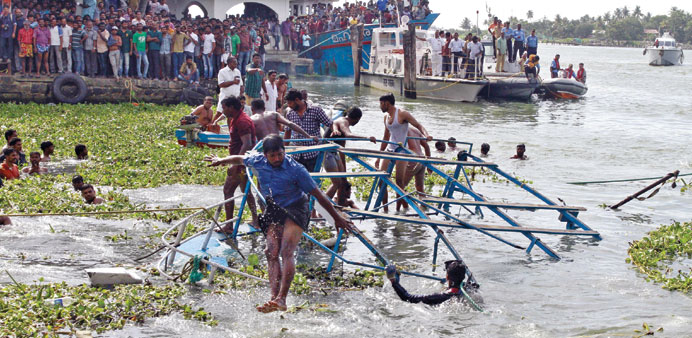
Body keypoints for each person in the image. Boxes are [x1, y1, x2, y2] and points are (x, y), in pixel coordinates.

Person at [205, 134, 353, 313]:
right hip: (275, 208)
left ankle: (282, 299)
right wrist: (221, 159)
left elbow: (318, 194)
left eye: (279, 154)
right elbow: (240, 158)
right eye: (272, 155)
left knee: (286, 251)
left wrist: (337, 218)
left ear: (284, 151)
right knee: (271, 252)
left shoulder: (296, 169)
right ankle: (274, 297)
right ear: (265, 155)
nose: (276, 159)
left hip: (296, 209)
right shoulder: (258, 160)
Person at [377, 93, 432, 212]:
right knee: (382, 181)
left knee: (399, 182)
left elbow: (418, 125)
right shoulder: (386, 117)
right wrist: (378, 156)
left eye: (381, 104)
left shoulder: (402, 114)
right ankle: (385, 210)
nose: (380, 106)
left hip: (402, 151)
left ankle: (398, 210)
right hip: (389, 150)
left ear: (387, 103)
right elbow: (386, 137)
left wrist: (426, 135)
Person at [216, 96, 258, 233]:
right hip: (243, 162)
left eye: (224, 108)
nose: (223, 111)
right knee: (246, 191)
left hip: (241, 163)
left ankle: (229, 226)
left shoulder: (242, 121)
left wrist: (235, 165)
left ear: (231, 107)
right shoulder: (237, 118)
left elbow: (247, 143)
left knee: (228, 190)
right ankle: (256, 220)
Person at [385, 260, 478, 306]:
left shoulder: (440, 297)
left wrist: (393, 281)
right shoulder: (470, 289)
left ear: (447, 277)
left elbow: (408, 298)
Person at [284, 89, 332, 172]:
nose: (288, 105)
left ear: (297, 100)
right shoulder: (290, 113)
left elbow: (330, 124)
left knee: (312, 179)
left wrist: (330, 136)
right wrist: (284, 149)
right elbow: (287, 131)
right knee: (297, 180)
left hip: (312, 153)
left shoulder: (316, 110)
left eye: (290, 103)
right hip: (296, 153)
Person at [250, 99, 314, 141]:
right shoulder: (274, 114)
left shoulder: (251, 120)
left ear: (252, 109)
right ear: (264, 108)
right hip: (278, 145)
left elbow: (249, 141)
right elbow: (290, 124)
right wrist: (308, 136)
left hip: (264, 148)